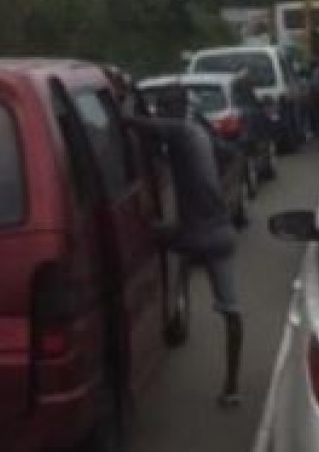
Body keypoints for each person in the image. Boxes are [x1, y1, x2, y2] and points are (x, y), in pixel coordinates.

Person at [124, 84, 243, 408]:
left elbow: (139, 126)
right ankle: (232, 386)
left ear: (175, 108)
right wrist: (219, 190)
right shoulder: (198, 132)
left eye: (164, 106)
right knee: (231, 313)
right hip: (218, 232)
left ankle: (155, 315)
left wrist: (122, 117)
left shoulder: (179, 131)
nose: (161, 112)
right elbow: (233, 154)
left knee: (142, 237)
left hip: (195, 234)